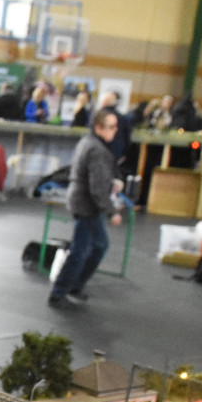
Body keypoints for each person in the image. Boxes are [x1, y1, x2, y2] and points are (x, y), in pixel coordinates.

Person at [49, 107, 124, 306]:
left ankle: (72, 287)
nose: (115, 131)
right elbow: (97, 188)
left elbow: (95, 178)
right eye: (111, 127)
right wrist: (112, 212)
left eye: (115, 127)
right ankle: (60, 292)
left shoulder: (88, 142)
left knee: (98, 246)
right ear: (99, 127)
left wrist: (111, 183)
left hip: (82, 201)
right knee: (81, 251)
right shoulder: (97, 150)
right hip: (86, 205)